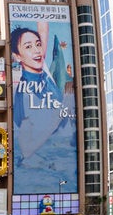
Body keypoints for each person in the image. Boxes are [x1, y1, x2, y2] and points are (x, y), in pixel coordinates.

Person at [9, 24, 76, 187]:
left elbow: (43, 28)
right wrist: (62, 111)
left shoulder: (42, 70)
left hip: (62, 164)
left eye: (38, 44)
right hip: (42, 174)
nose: (37, 50)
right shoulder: (24, 95)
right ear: (17, 56)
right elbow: (26, 148)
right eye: (28, 47)